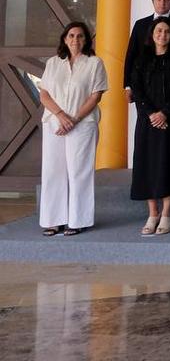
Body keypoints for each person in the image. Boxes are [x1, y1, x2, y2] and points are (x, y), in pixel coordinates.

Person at [38, 22, 108, 237]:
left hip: (82, 125)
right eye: (71, 36)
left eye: (80, 36)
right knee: (52, 171)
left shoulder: (94, 63)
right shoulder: (53, 63)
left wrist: (74, 119)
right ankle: (53, 220)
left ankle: (78, 220)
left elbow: (96, 95)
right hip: (54, 124)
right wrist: (60, 115)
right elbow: (44, 94)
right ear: (64, 39)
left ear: (86, 39)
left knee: (79, 172)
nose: (75, 40)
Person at [129, 20, 170, 235]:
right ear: (152, 34)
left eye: (166, 31)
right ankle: (152, 213)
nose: (162, 34)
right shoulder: (141, 59)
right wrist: (151, 114)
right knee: (148, 165)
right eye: (158, 31)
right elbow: (137, 90)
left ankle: (166, 215)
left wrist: (164, 113)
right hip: (147, 121)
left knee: (168, 164)